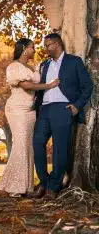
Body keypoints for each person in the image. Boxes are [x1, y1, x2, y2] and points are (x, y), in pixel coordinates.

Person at [30, 33, 93, 200]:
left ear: (57, 44)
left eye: (47, 45)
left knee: (59, 148)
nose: (45, 49)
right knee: (37, 143)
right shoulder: (44, 65)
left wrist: (77, 106)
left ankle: (54, 186)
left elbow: (87, 86)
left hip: (63, 108)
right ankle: (44, 181)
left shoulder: (74, 61)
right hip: (44, 110)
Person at [0, 38, 60, 197]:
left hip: (31, 110)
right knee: (21, 144)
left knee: (28, 146)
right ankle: (15, 187)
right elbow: (27, 86)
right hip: (17, 108)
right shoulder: (13, 67)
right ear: (24, 48)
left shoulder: (33, 67)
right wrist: (49, 86)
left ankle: (23, 186)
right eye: (32, 47)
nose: (35, 50)